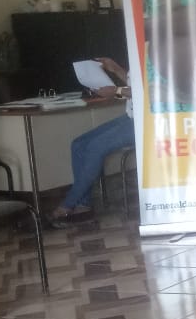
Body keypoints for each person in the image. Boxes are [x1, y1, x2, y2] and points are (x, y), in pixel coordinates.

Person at [48, 57, 135, 227]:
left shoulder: (153, 52)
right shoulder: (139, 50)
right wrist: (116, 69)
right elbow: (136, 85)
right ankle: (83, 206)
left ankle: (67, 205)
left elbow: (151, 91)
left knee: (95, 147)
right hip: (131, 115)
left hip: (146, 121)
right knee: (79, 144)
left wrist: (116, 91)